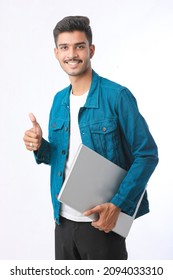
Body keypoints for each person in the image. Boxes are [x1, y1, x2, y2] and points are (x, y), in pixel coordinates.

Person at [23, 16, 158, 260]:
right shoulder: (58, 100)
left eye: (79, 46)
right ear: (56, 53)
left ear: (91, 50)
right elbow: (60, 156)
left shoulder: (117, 96)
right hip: (62, 222)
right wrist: (39, 145)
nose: (71, 54)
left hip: (102, 224)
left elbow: (147, 154)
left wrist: (118, 205)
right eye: (64, 47)